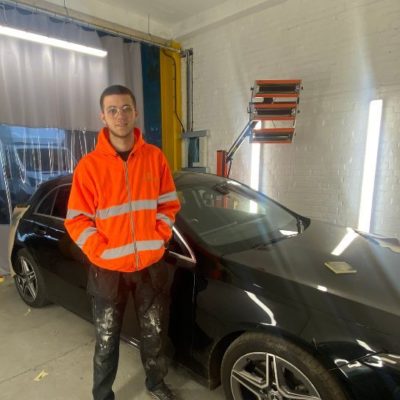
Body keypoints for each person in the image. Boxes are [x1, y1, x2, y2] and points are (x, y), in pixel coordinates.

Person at [65, 84, 180, 400]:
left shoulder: (154, 158)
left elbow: (169, 204)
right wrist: (98, 249)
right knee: (105, 339)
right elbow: (76, 219)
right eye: (113, 110)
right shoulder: (89, 166)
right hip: (107, 269)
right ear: (102, 116)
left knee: (155, 334)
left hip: (150, 266)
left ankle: (155, 383)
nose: (120, 115)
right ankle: (102, 395)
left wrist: (158, 238)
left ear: (136, 112)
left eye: (126, 108)